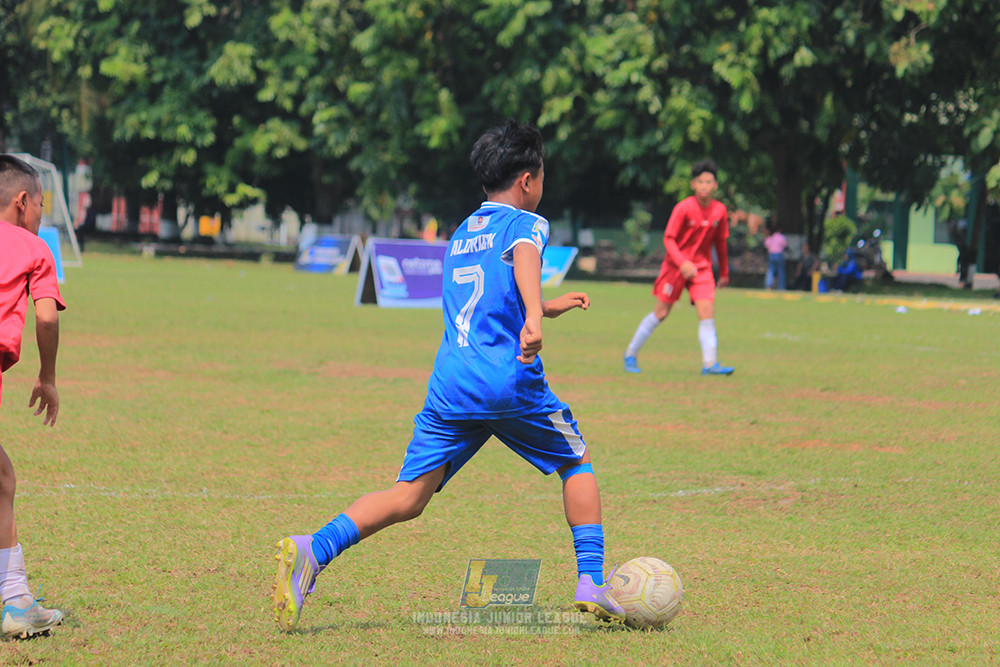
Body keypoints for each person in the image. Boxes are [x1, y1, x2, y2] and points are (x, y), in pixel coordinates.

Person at [271, 120, 625, 632]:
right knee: (577, 463)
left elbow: (483, 297)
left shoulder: (461, 233)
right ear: (527, 180)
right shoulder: (528, 223)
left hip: (452, 384)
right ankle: (591, 581)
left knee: (409, 496)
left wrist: (543, 308)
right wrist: (532, 316)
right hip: (506, 380)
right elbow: (525, 257)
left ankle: (313, 549)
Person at [0, 154, 66, 639]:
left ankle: (16, 596)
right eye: (42, 204)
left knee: (0, 478)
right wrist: (47, 376)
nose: (42, 214)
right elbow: (45, 317)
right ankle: (17, 601)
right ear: (23, 202)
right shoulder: (33, 247)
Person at [623, 159, 734, 375]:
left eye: (708, 182)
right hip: (675, 267)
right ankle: (630, 354)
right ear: (693, 184)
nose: (704, 186)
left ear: (715, 186)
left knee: (707, 311)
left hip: (701, 269)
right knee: (661, 313)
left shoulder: (720, 211)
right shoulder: (683, 208)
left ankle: (710, 364)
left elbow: (720, 244)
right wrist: (682, 262)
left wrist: (725, 273)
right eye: (700, 181)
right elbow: (669, 238)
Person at [763, 222, 787, 290]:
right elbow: (784, 245)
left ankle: (768, 286)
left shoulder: (771, 237)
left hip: (771, 255)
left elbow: (766, 245)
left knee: (770, 271)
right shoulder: (782, 237)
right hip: (779, 255)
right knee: (781, 271)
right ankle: (781, 287)